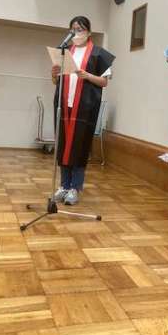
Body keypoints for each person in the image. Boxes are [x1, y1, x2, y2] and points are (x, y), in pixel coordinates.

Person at [51, 16, 115, 205]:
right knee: (63, 144)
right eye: (73, 29)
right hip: (65, 104)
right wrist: (53, 75)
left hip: (85, 107)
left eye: (80, 29)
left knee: (79, 146)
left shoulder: (99, 54)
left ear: (89, 31)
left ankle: (75, 187)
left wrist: (87, 75)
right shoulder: (64, 52)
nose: (76, 33)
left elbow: (104, 82)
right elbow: (56, 81)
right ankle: (63, 185)